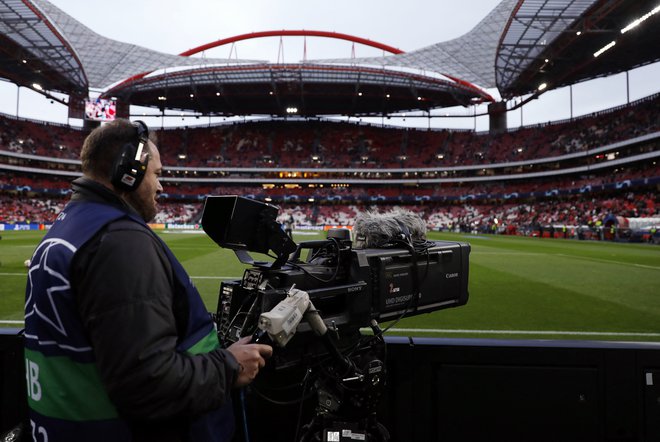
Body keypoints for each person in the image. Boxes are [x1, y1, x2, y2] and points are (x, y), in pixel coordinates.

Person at [24, 119, 272, 442]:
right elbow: (147, 383)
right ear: (129, 171)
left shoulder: (71, 226)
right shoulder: (120, 241)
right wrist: (228, 366)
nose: (161, 186)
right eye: (156, 173)